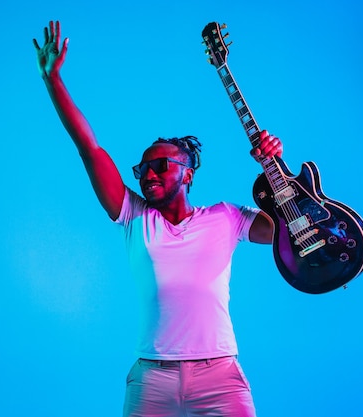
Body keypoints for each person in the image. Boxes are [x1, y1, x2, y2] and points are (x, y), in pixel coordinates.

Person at [33, 21, 283, 417]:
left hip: (220, 375)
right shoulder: (133, 216)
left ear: (188, 173)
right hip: (153, 378)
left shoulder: (226, 217)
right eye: (142, 169)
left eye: (161, 166)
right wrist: (53, 81)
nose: (148, 175)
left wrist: (274, 163)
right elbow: (89, 148)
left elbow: (285, 231)